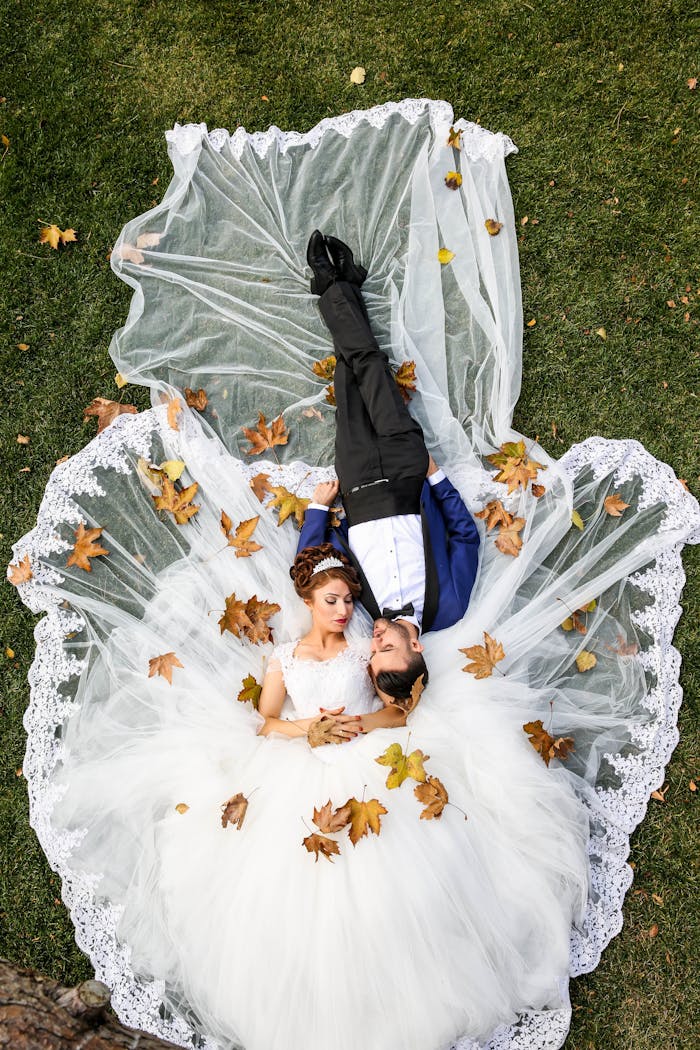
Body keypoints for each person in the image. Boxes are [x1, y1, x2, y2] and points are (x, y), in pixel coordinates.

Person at [8, 99, 699, 1050]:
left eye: (368, 629)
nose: (373, 629)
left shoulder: (327, 629)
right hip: (392, 514)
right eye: (378, 631)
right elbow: (385, 639)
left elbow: (277, 702)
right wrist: (362, 679)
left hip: (328, 720)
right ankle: (345, 303)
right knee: (363, 379)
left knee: (354, 894)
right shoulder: (400, 620)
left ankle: (341, 302)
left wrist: (311, 715)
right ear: (390, 639)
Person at [298, 230, 481, 707]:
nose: (375, 639)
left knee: (350, 375)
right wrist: (435, 476)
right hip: (407, 473)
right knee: (371, 370)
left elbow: (314, 571)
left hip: (356, 485)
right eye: (388, 646)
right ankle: (330, 280)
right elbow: (464, 536)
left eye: (372, 652)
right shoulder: (451, 606)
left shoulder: (359, 614)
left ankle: (343, 285)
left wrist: (317, 511)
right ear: (416, 646)